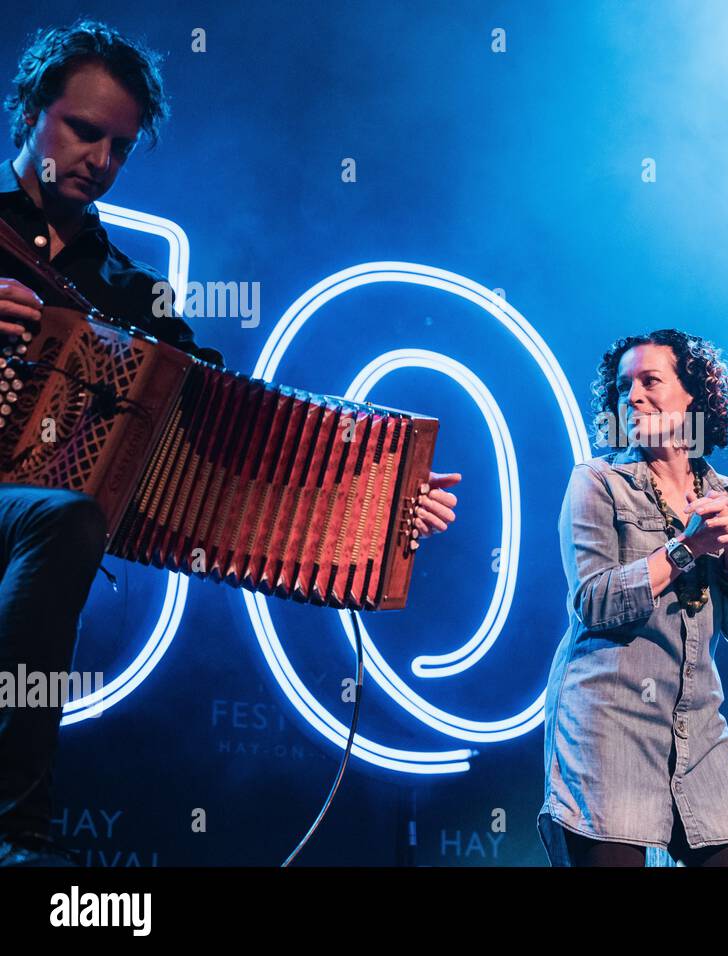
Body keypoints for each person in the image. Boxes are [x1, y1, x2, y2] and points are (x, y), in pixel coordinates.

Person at [0, 21, 460, 866]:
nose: (100, 159)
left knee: (65, 521)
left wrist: (386, 498)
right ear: (29, 109)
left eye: (120, 146)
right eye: (82, 131)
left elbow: (237, 425)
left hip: (31, 522)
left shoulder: (133, 291)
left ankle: (15, 839)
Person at [537, 328, 728, 866]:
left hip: (699, 731)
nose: (634, 397)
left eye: (650, 381)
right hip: (606, 726)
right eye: (624, 387)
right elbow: (592, 602)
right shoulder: (597, 482)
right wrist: (687, 548)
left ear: (694, 395)